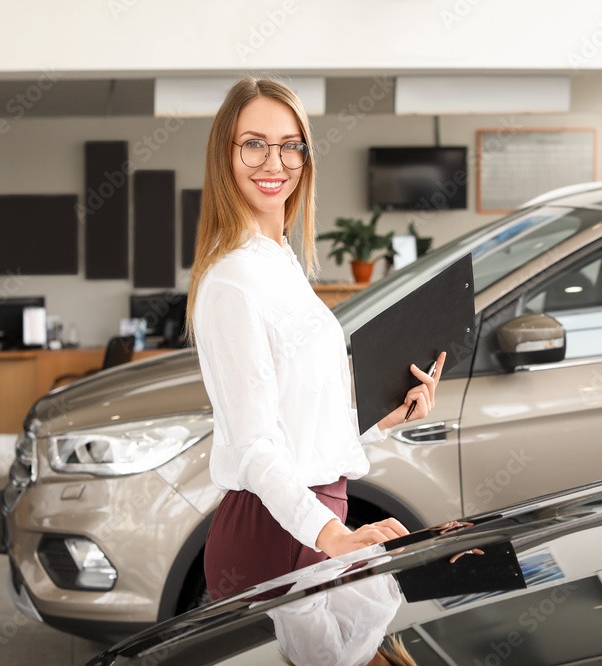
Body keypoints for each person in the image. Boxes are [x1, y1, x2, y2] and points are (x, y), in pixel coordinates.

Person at [186, 77, 446, 602]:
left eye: (290, 146)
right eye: (253, 144)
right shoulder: (232, 281)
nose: (274, 163)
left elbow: (298, 423)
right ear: (224, 156)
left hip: (315, 517)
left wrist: (380, 418)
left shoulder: (280, 261)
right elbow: (258, 448)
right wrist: (335, 538)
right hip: (276, 528)